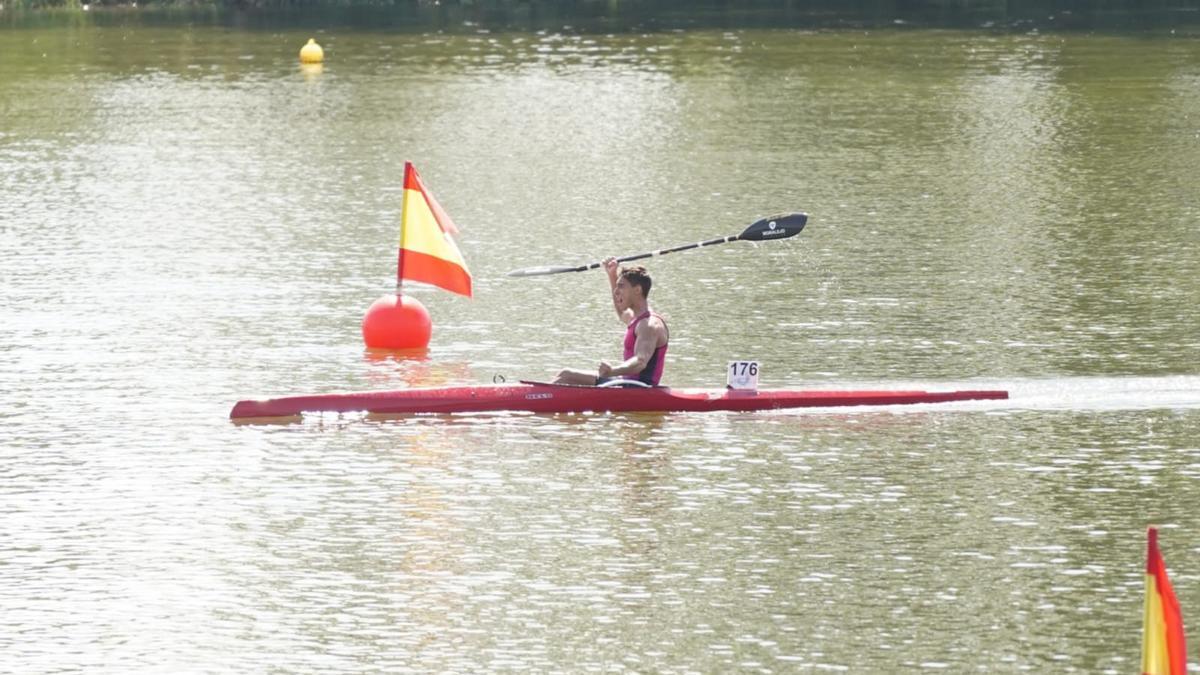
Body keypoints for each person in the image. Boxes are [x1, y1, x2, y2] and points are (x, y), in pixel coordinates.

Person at [555, 257, 670, 387]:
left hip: (639, 388)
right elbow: (621, 311)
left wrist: (612, 371)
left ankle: (535, 400)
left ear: (637, 290)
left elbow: (640, 362)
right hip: (627, 382)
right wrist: (612, 274)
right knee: (565, 375)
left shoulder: (649, 325)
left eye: (621, 286)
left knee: (566, 377)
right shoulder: (636, 318)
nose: (616, 291)